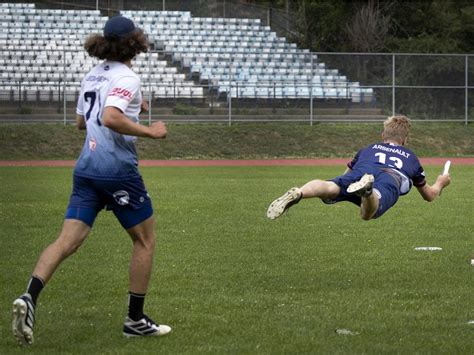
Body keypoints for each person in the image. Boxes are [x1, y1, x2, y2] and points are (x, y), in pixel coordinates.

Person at [12, 15, 171, 346]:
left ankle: (29, 296)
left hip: (85, 169)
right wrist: (150, 131)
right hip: (116, 171)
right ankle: (135, 320)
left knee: (66, 241)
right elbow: (109, 116)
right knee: (145, 241)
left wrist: (133, 107)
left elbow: (82, 123)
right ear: (134, 43)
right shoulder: (128, 75)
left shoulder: (92, 75)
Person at [267, 115, 451, 221]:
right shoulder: (410, 157)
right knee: (367, 213)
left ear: (383, 135)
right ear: (404, 140)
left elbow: (346, 175)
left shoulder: (369, 148)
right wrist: (441, 182)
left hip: (362, 171)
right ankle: (368, 192)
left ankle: (300, 192)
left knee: (331, 186)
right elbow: (429, 195)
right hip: (390, 177)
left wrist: (338, 192)